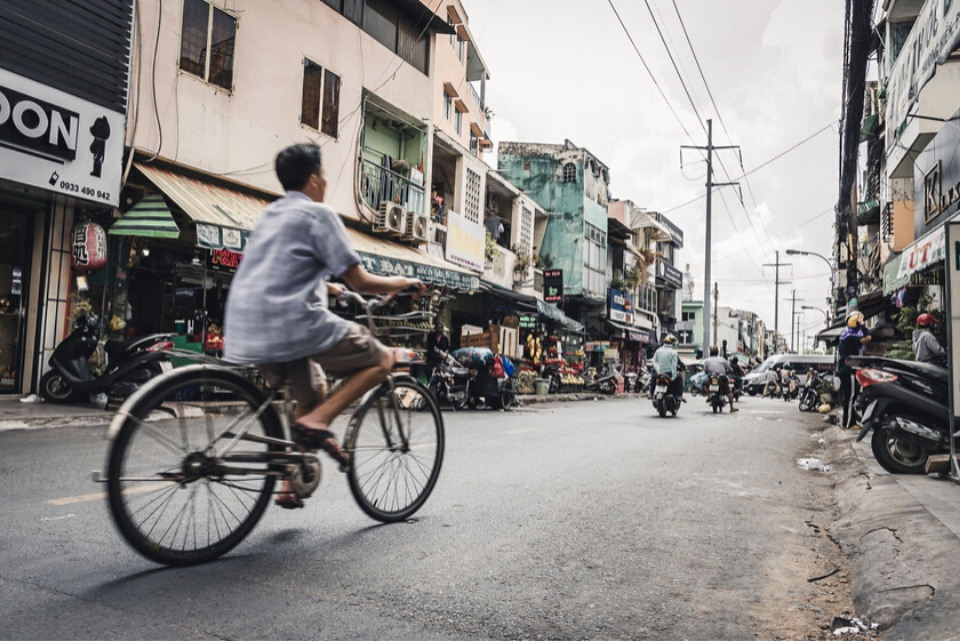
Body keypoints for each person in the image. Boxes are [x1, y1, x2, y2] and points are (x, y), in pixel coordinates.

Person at [223, 143, 424, 509]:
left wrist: (327, 285)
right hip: (293, 325)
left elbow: (281, 269)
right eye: (325, 175)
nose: (327, 182)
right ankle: (321, 422)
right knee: (381, 360)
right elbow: (361, 282)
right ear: (314, 179)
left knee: (312, 391)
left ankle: (288, 481)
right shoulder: (319, 215)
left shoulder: (269, 215)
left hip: (246, 325)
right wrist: (400, 282)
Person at [836, 310, 872, 429]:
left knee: (850, 397)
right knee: (851, 397)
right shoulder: (850, 336)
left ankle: (849, 421)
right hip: (849, 370)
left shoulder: (846, 334)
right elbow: (867, 338)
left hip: (846, 370)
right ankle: (848, 423)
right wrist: (863, 325)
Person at [701, 346, 738, 412]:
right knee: (729, 391)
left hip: (711, 378)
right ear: (718, 352)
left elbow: (705, 371)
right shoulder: (722, 359)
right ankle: (731, 407)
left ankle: (709, 396)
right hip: (722, 378)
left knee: (704, 385)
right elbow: (729, 368)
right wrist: (731, 370)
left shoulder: (707, 360)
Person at [651, 334, 685, 402]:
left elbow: (654, 362)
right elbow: (674, 365)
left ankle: (651, 393)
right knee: (680, 378)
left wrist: (658, 370)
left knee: (653, 377)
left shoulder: (658, 351)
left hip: (659, 373)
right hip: (669, 374)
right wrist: (673, 377)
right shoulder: (673, 353)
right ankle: (679, 395)